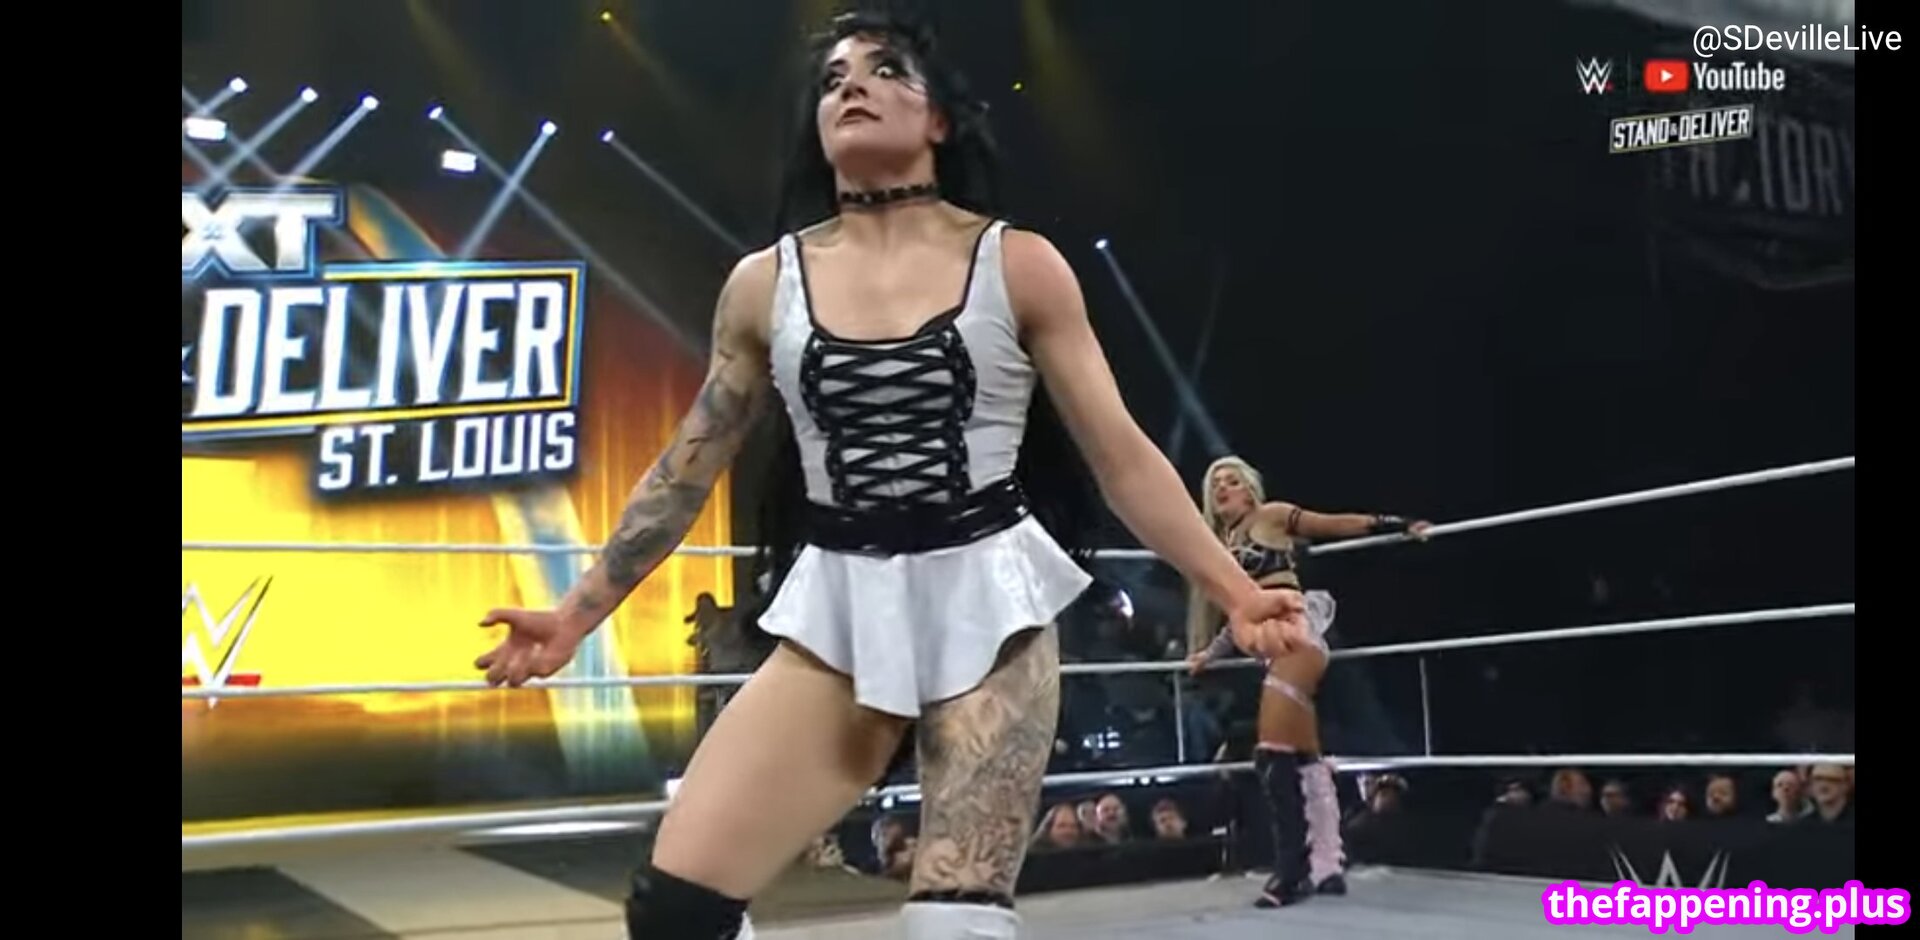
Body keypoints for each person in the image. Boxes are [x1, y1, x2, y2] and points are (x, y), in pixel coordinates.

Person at [469, 10, 1309, 940]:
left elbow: (1121, 455)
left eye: (883, 70)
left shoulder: (1019, 264)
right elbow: (685, 468)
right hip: (839, 612)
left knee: (951, 927)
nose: (852, 88)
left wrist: (1235, 592)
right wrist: (574, 615)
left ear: (938, 119)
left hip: (990, 608)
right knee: (674, 914)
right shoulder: (763, 284)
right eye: (834, 80)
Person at [1185, 455, 1429, 908]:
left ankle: (1290, 871)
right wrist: (1209, 655)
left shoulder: (1272, 516)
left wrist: (1396, 523)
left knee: (1271, 752)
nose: (1222, 488)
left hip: (1299, 634)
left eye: (1232, 480)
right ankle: (1327, 864)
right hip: (1270, 647)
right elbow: (1241, 615)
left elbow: (1331, 523)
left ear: (1250, 489)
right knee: (1304, 758)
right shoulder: (1222, 547)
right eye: (1215, 483)